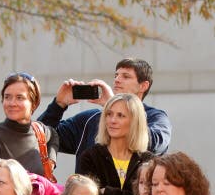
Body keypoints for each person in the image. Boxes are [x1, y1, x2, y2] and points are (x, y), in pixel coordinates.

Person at [38, 58, 172, 170]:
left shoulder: (156, 117)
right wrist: (58, 105)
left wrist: (115, 105)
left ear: (143, 86)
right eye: (116, 75)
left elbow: (155, 144)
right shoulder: (90, 119)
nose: (117, 80)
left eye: (125, 76)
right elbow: (40, 137)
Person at [78, 93, 154, 195]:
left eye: (120, 115)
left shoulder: (149, 161)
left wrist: (108, 192)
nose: (112, 120)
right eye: (109, 114)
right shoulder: (91, 157)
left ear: (135, 121)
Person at [0, 72, 59, 178]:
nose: (12, 103)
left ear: (34, 103)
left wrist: (51, 162)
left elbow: (53, 135)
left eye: (19, 97)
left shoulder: (39, 130)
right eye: (7, 97)